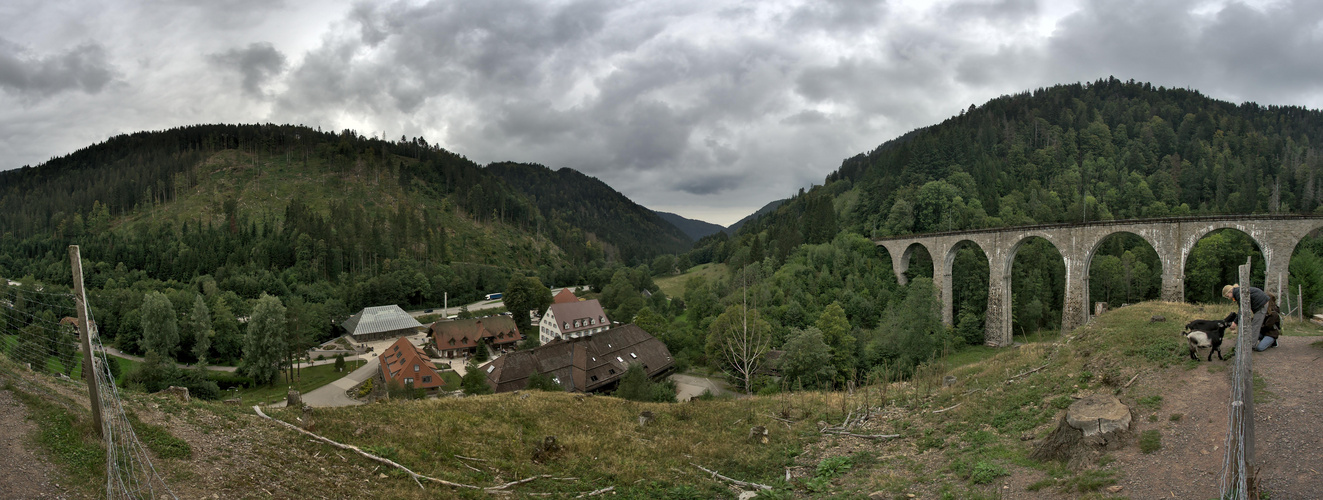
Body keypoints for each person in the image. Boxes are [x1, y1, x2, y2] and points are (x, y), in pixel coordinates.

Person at [1222, 284, 1280, 351]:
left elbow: (1241, 309)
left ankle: (1250, 346)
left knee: (1255, 326)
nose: (1229, 298)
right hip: (1261, 305)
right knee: (1254, 325)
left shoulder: (1238, 293)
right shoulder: (1238, 292)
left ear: (1230, 291)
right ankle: (1251, 343)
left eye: (1227, 296)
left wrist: (1235, 323)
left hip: (1261, 306)